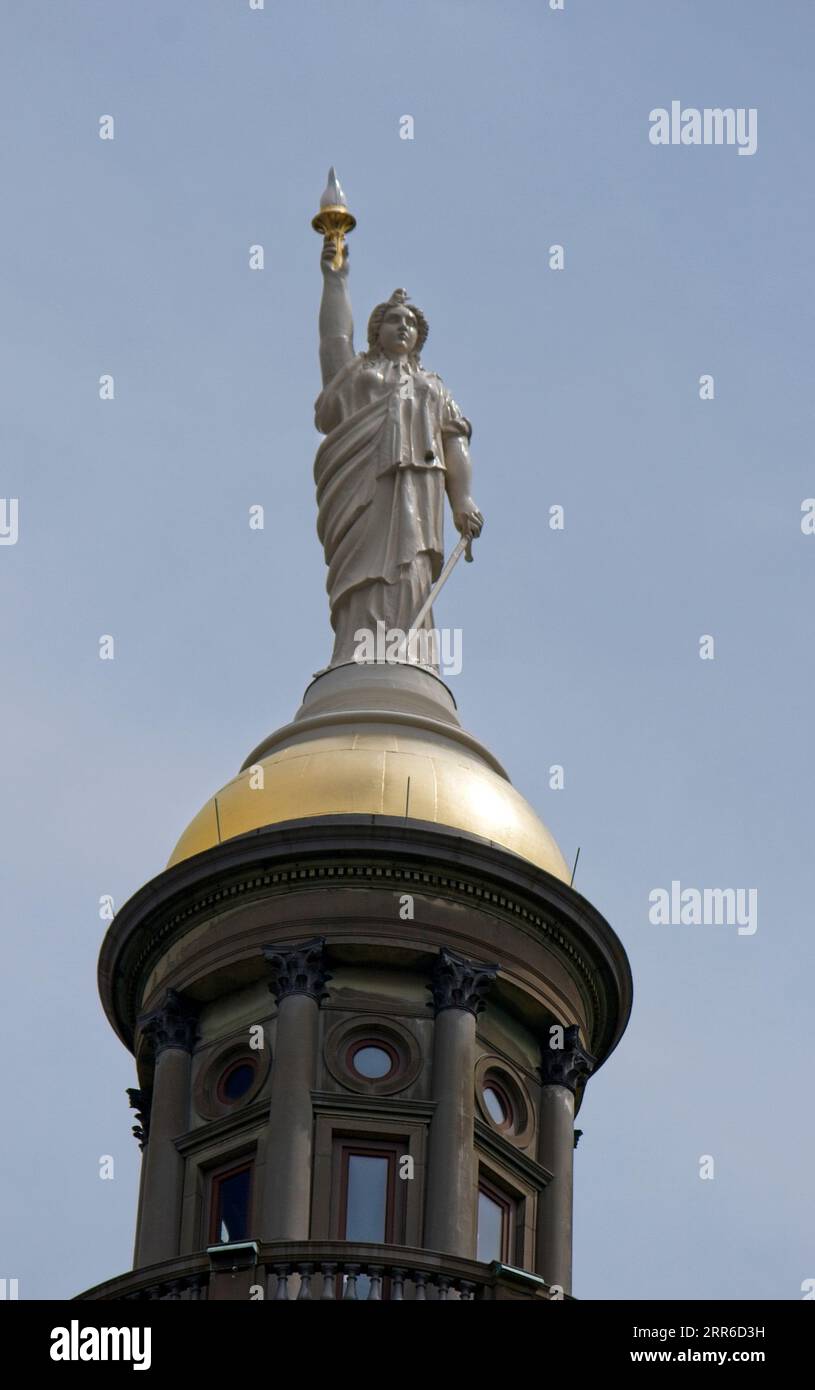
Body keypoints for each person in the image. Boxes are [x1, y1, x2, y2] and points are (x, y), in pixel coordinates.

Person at [314, 235, 483, 669]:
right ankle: (356, 654)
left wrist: (462, 498)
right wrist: (336, 280)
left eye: (410, 322)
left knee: (410, 567)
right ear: (377, 331)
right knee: (365, 570)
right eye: (393, 320)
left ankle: (408, 657)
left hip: (418, 489)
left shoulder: (434, 386)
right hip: (363, 489)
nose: (402, 326)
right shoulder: (359, 375)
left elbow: (454, 440)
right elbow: (334, 341)